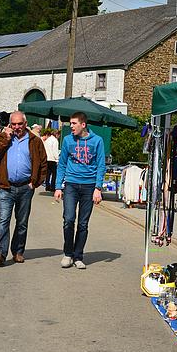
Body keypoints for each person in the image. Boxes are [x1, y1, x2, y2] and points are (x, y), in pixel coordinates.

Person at [0, 111, 46, 266]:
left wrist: (35, 183)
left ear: (25, 124)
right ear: (9, 124)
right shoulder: (3, 137)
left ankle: (18, 251)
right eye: (13, 124)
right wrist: (4, 139)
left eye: (20, 124)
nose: (17, 127)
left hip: (25, 187)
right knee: (3, 220)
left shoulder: (34, 140)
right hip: (6, 187)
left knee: (22, 222)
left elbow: (43, 163)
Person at [54, 112, 106, 270]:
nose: (71, 127)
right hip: (71, 184)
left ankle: (78, 256)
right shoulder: (68, 140)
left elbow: (101, 165)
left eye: (74, 123)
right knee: (69, 220)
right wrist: (58, 187)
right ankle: (68, 254)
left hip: (89, 186)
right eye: (70, 123)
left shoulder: (97, 141)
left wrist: (98, 188)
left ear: (83, 125)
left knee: (83, 224)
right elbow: (62, 164)